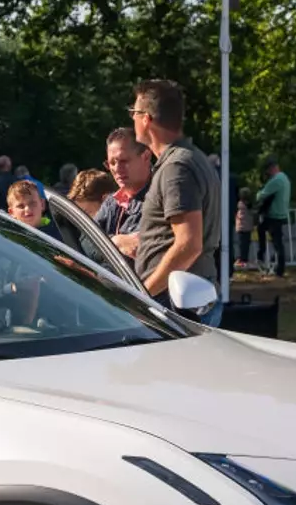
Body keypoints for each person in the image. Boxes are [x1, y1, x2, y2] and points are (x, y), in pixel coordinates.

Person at [129, 79, 223, 327]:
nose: (132, 119)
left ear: (146, 118)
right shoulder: (191, 159)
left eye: (134, 113)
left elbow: (189, 244)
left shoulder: (176, 167)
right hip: (181, 301)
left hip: (176, 309)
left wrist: (143, 296)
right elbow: (173, 235)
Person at [94, 128, 153, 262]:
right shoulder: (111, 202)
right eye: (112, 163)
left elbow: (134, 255)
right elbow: (85, 243)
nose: (116, 169)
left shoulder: (159, 200)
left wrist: (104, 242)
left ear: (146, 156)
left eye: (123, 161)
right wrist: (116, 241)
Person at [254, 156, 291, 277]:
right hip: (281, 213)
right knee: (277, 241)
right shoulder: (284, 178)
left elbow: (261, 196)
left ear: (271, 168)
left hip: (274, 215)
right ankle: (276, 265)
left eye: (268, 170)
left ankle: (264, 257)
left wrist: (259, 192)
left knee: (276, 242)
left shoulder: (276, 180)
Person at [235, 187, 255, 268]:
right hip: (247, 227)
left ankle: (242, 259)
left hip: (241, 227)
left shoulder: (239, 204)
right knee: (245, 244)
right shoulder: (249, 205)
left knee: (242, 244)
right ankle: (244, 259)